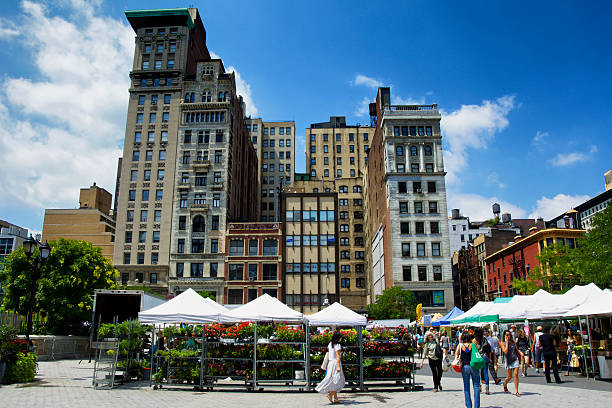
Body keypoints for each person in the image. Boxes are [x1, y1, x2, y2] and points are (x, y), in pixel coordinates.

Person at [316, 331, 345, 404]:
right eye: (340, 337)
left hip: (330, 363)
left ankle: (335, 398)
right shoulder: (338, 345)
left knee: (333, 380)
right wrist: (338, 367)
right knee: (338, 380)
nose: (341, 338)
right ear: (338, 338)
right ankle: (330, 394)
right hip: (335, 364)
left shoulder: (330, 344)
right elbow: (338, 357)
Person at [455, 331, 480, 408]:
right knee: (476, 386)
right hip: (474, 366)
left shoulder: (460, 345)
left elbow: (456, 355)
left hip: (465, 367)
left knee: (466, 387)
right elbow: (477, 353)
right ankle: (477, 406)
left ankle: (469, 405)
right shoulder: (473, 345)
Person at [501, 329, 522, 397]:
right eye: (507, 335)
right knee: (509, 377)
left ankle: (516, 391)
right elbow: (505, 351)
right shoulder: (502, 343)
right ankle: (505, 383)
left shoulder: (513, 342)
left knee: (515, 374)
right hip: (508, 361)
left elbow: (516, 349)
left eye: (509, 335)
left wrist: (520, 354)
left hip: (515, 359)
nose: (508, 336)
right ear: (504, 335)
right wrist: (506, 342)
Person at [473, 328, 491, 395]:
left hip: (477, 358)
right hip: (485, 356)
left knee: (477, 373)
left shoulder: (474, 340)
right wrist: (490, 358)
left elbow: (474, 350)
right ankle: (487, 387)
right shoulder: (484, 339)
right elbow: (488, 348)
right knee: (485, 372)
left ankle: (479, 386)